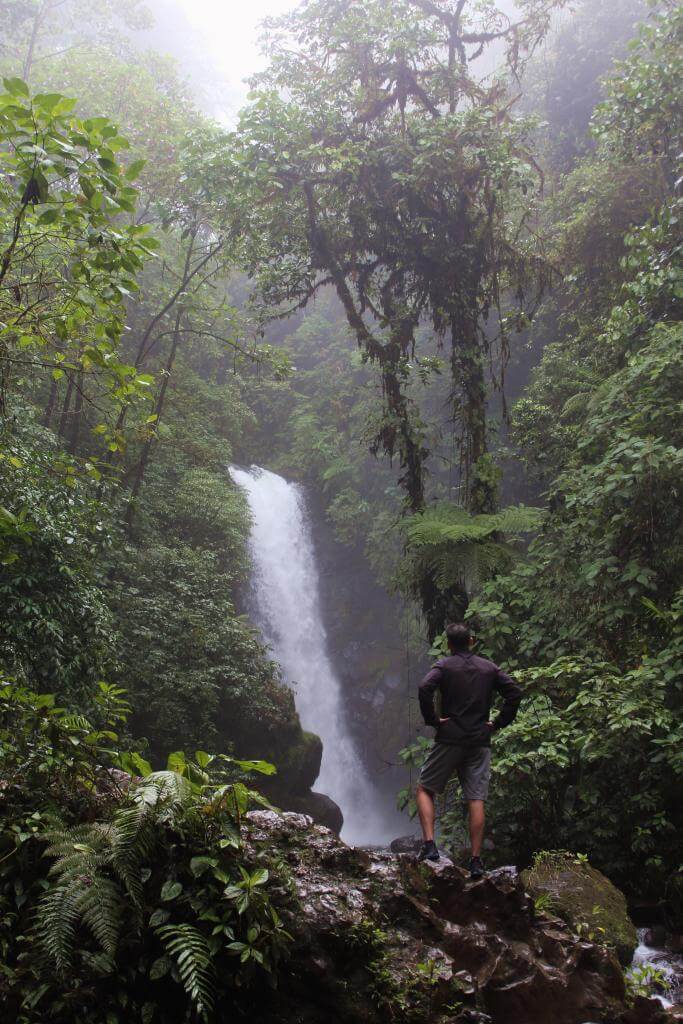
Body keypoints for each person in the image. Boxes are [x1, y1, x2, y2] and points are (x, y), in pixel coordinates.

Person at [415, 622, 522, 878]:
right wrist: (497, 723)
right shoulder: (489, 668)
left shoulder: (443, 666)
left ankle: (430, 845)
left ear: (449, 644)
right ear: (471, 642)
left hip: (450, 737)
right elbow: (514, 693)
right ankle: (475, 861)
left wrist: (433, 719)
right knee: (476, 798)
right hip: (479, 739)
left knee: (424, 788)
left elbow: (424, 688)